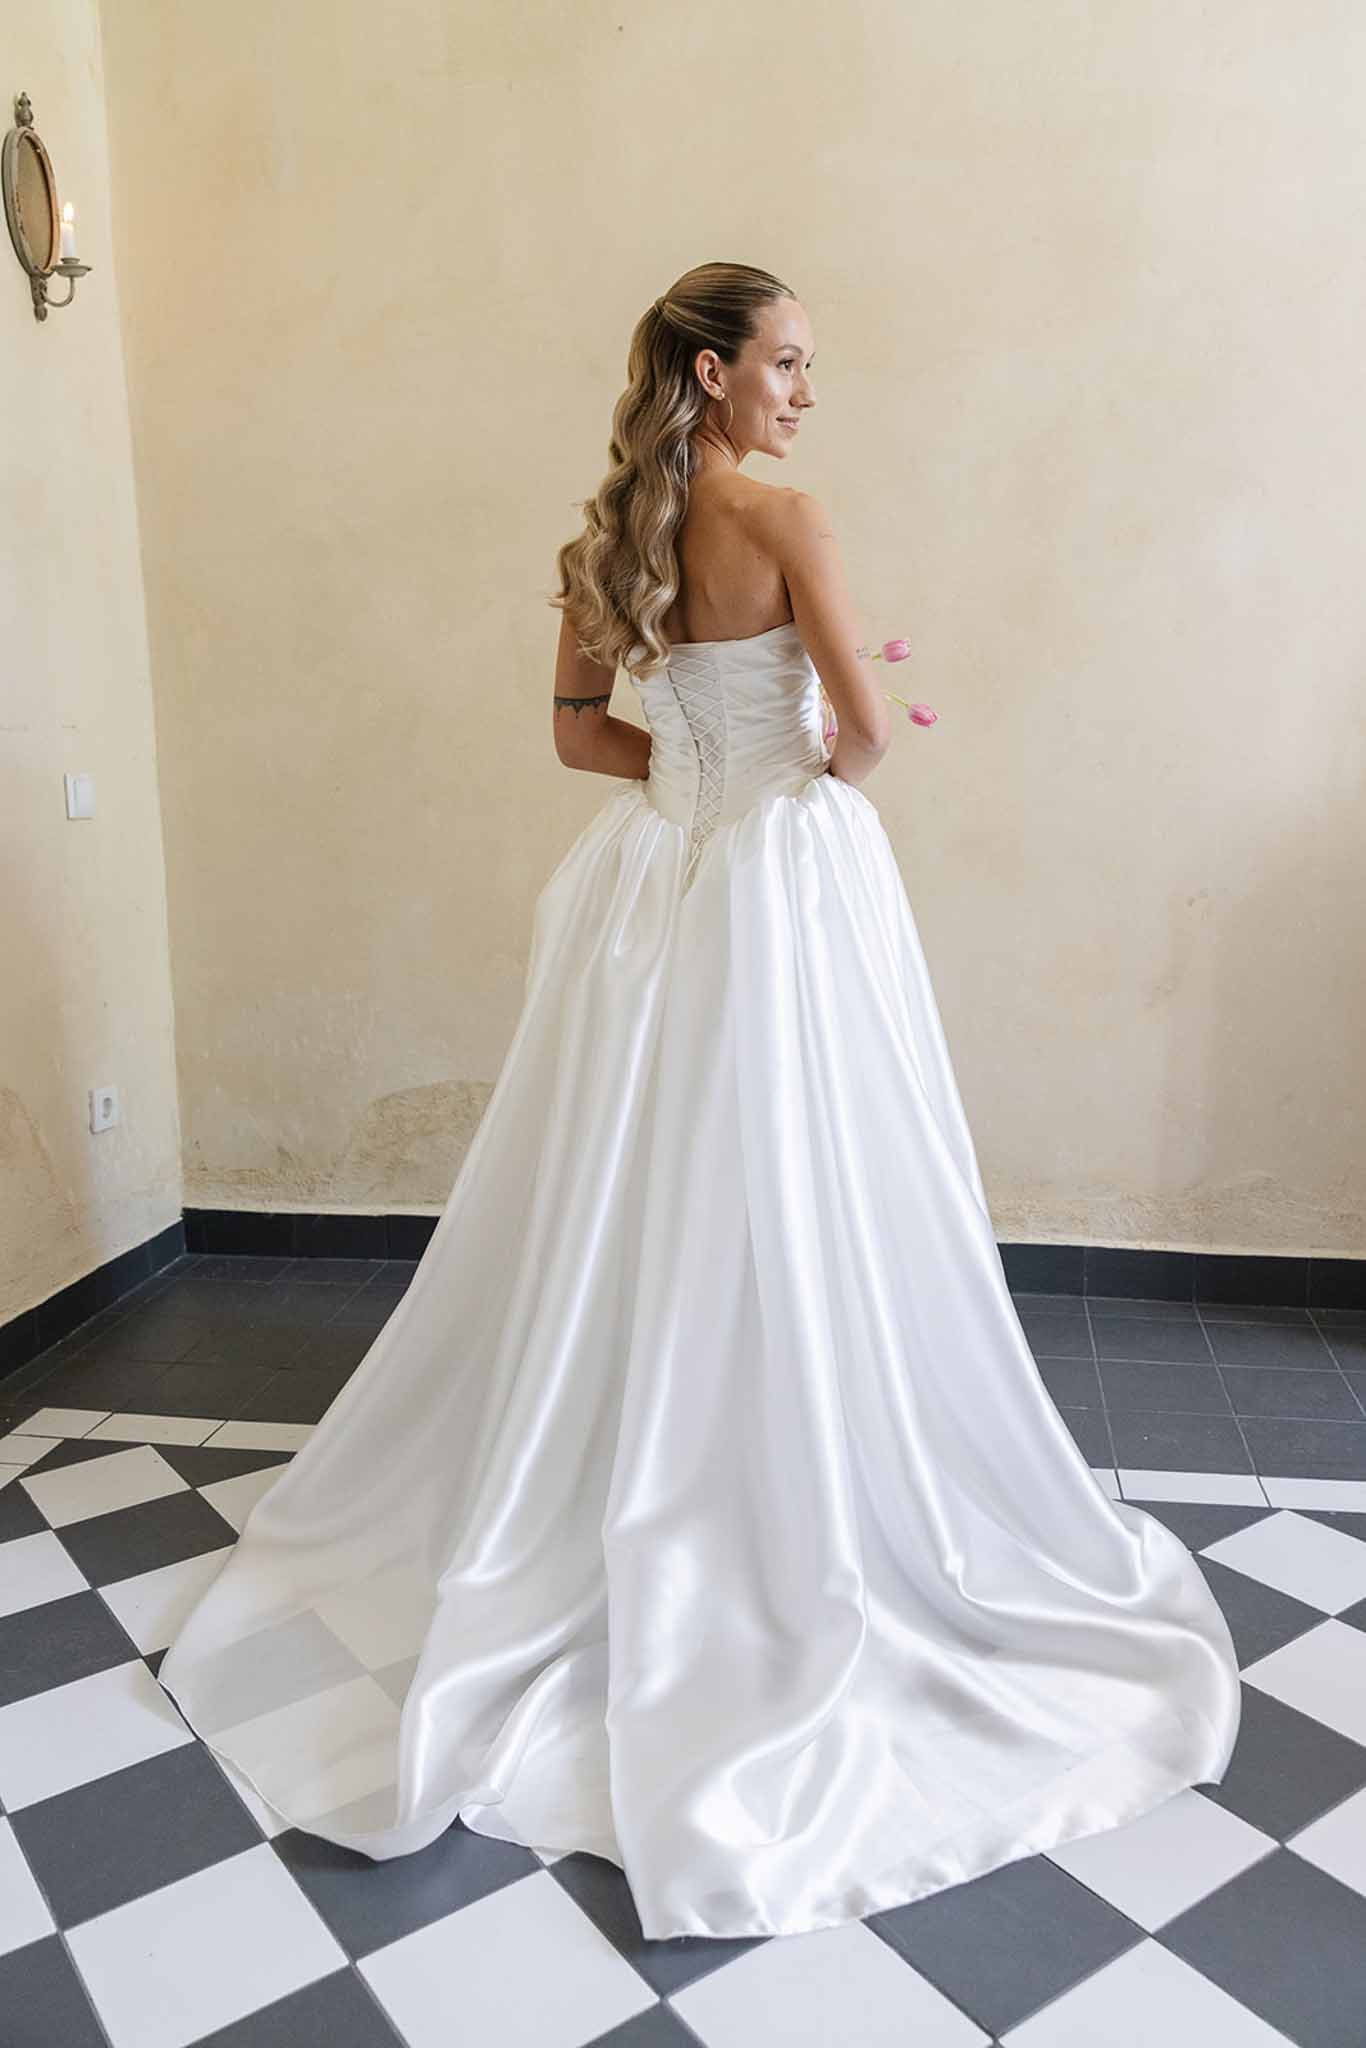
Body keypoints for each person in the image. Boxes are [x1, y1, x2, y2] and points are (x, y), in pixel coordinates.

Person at [157, 261, 1241, 1943]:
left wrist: (695, 764)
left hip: (649, 885)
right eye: (789, 362)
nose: (807, 391)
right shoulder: (791, 518)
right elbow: (868, 737)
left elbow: (583, 742)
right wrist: (795, 760)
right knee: (799, 1173)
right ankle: (781, 1476)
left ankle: (614, 1474)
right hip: (782, 890)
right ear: (714, 369)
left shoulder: (600, 541)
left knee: (629, 1182)